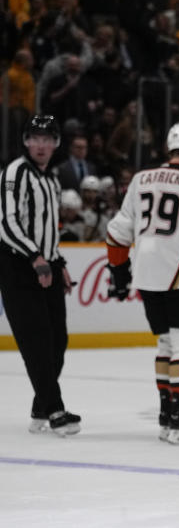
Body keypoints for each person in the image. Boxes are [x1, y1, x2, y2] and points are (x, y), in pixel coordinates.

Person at [103, 120, 179, 445]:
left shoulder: (140, 178)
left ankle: (166, 415)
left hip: (146, 274)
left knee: (165, 344)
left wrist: (119, 271)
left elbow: (116, 232)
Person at [0, 114, 81, 436]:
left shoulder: (51, 179)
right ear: (25, 141)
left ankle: (40, 407)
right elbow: (6, 223)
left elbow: (49, 230)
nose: (42, 145)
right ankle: (55, 409)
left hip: (45, 265)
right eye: (35, 138)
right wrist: (36, 257)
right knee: (36, 342)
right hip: (18, 266)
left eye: (48, 139)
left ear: (57, 143)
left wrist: (57, 263)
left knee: (57, 341)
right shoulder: (15, 173)